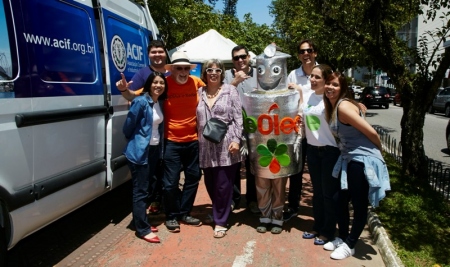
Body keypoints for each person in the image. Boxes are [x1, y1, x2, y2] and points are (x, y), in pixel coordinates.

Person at [323, 71, 390, 260]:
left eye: (335, 85)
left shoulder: (343, 107)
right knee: (339, 199)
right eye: (328, 84)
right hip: (349, 157)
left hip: (363, 158)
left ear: (342, 88)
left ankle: (350, 244)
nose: (330, 87)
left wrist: (378, 153)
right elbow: (358, 115)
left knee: (359, 204)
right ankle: (343, 237)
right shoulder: (337, 105)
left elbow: (372, 133)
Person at [116, 40, 169, 214]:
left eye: (160, 51)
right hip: (150, 134)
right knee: (148, 177)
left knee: (163, 172)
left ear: (165, 53)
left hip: (168, 132)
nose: (157, 55)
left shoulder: (172, 71)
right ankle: (149, 207)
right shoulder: (143, 73)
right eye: (154, 52)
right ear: (149, 55)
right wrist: (124, 90)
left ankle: (158, 202)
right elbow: (133, 95)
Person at [196, 59, 243, 238]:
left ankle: (221, 220)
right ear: (205, 73)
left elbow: (238, 118)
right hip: (205, 146)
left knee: (223, 185)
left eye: (217, 70)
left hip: (226, 144)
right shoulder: (199, 92)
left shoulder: (230, 91)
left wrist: (237, 140)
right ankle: (219, 210)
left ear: (222, 73)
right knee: (210, 183)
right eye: (209, 70)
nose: (213, 73)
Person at [162, 51, 206, 232]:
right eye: (178, 68)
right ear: (171, 69)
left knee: (193, 177)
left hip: (193, 140)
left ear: (190, 70)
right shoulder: (164, 83)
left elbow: (215, 90)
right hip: (171, 140)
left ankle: (185, 212)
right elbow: (141, 94)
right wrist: (125, 90)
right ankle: (171, 215)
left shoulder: (196, 83)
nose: (182, 71)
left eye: (186, 68)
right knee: (170, 182)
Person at [122, 71, 168, 243]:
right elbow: (128, 127)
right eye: (155, 82)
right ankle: (142, 229)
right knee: (140, 191)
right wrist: (138, 141)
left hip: (154, 150)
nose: (158, 86)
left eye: (161, 83)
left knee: (147, 188)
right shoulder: (141, 101)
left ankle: (138, 221)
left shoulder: (158, 102)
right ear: (149, 84)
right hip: (140, 151)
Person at [300, 64, 341, 246]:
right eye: (312, 76)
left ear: (326, 81)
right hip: (312, 150)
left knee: (328, 194)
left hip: (329, 151)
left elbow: (345, 106)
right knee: (317, 193)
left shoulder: (329, 99)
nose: (313, 80)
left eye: (318, 77)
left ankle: (328, 231)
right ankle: (317, 226)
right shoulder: (308, 96)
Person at [284, 39, 318, 221]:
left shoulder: (323, 72)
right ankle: (293, 207)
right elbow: (288, 100)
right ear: (298, 55)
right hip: (298, 130)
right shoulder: (293, 75)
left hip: (318, 130)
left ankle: (321, 209)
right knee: (295, 170)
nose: (306, 54)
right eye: (302, 51)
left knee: (318, 172)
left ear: (315, 53)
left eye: (309, 50)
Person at [223, 45, 259, 214]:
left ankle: (253, 200)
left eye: (243, 56)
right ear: (232, 61)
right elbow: (221, 96)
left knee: (253, 165)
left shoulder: (258, 75)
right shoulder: (227, 76)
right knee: (234, 165)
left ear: (249, 57)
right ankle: (235, 199)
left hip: (255, 128)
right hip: (233, 128)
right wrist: (235, 81)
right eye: (236, 58)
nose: (240, 60)